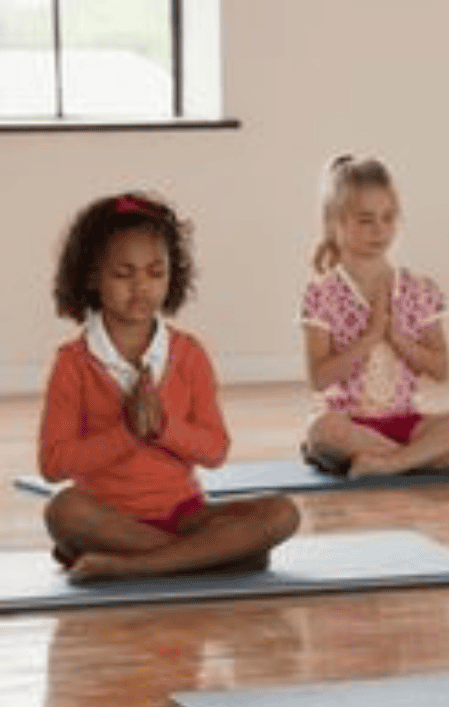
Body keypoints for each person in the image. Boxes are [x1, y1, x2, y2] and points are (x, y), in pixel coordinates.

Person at [39, 193, 299, 583]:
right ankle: (213, 558)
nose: (141, 287)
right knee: (62, 511)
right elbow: (53, 463)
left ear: (171, 275)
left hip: (185, 515)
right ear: (92, 275)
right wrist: (127, 434)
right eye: (124, 274)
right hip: (106, 517)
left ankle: (135, 563)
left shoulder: (190, 355)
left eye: (155, 273)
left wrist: (162, 427)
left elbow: (215, 451)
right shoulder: (72, 363)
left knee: (283, 512)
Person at [300, 155, 449, 477]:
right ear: (335, 222)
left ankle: (391, 462)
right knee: (321, 430)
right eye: (366, 220)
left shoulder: (421, 290)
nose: (380, 230)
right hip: (349, 424)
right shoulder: (321, 295)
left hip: (409, 423)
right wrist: (369, 338)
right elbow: (319, 377)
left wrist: (397, 339)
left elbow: (440, 369)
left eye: (388, 218)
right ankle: (424, 459)